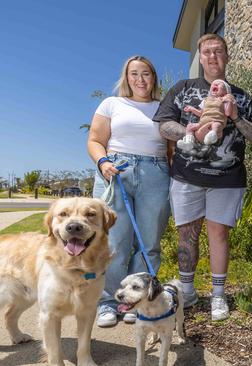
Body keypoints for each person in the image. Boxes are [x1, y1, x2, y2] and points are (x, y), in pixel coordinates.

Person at [153, 33, 252, 321]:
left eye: (218, 51)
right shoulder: (183, 88)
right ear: (200, 57)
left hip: (228, 179)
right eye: (206, 52)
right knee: (187, 233)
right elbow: (164, 125)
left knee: (219, 234)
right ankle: (188, 291)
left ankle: (217, 296)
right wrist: (190, 132)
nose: (212, 56)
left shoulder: (241, 96)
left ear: (227, 57)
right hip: (186, 175)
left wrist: (237, 117)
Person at [87, 55, 171, 327]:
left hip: (155, 173)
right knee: (114, 244)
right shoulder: (112, 104)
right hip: (116, 171)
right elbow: (95, 140)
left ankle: (137, 302)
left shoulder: (163, 107)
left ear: (153, 77)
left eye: (145, 73)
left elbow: (170, 149)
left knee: (149, 243)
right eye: (134, 74)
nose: (140, 79)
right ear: (126, 78)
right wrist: (103, 162)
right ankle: (109, 303)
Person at [176, 78, 231, 153]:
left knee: (216, 125)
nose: (215, 84)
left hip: (216, 120)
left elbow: (228, 113)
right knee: (190, 127)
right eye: (213, 84)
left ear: (226, 91)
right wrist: (192, 109)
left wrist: (229, 101)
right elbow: (201, 113)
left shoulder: (223, 100)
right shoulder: (206, 100)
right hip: (203, 122)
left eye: (219, 84)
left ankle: (212, 135)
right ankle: (189, 143)